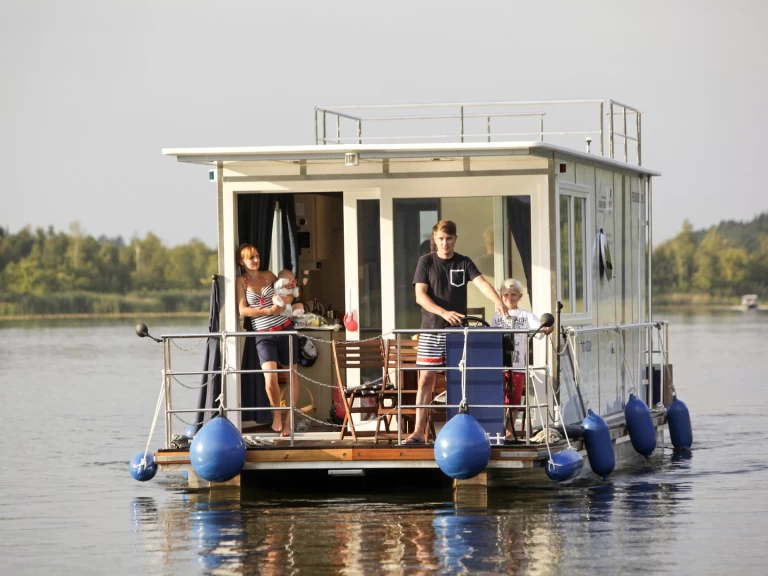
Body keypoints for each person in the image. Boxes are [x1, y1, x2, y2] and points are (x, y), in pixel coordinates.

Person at [403, 220, 508, 444]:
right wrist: (443, 312)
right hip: (432, 330)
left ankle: (466, 433)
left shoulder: (463, 262)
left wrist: (498, 301)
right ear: (434, 239)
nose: (444, 243)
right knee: (425, 381)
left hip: (458, 333)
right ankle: (419, 432)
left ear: (455, 239)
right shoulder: (426, 262)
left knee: (462, 380)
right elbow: (420, 296)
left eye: (449, 239)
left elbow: (481, 283)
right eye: (440, 239)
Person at [235, 244, 300, 437]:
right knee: (270, 378)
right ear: (242, 262)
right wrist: (268, 311)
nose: (255, 260)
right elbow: (243, 311)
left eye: (257, 256)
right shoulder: (241, 281)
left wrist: (288, 297)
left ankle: (289, 422)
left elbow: (287, 295)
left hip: (285, 329)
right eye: (250, 258)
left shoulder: (269, 276)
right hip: (263, 334)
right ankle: (276, 414)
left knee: (291, 377)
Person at [491, 278, 552, 440]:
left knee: (515, 398)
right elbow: (489, 338)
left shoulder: (527, 315)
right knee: (499, 398)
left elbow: (539, 330)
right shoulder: (496, 316)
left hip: (518, 364)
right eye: (505, 295)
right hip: (499, 365)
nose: (509, 298)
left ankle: (509, 430)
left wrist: (547, 328)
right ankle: (497, 429)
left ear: (520, 296)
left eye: (513, 295)